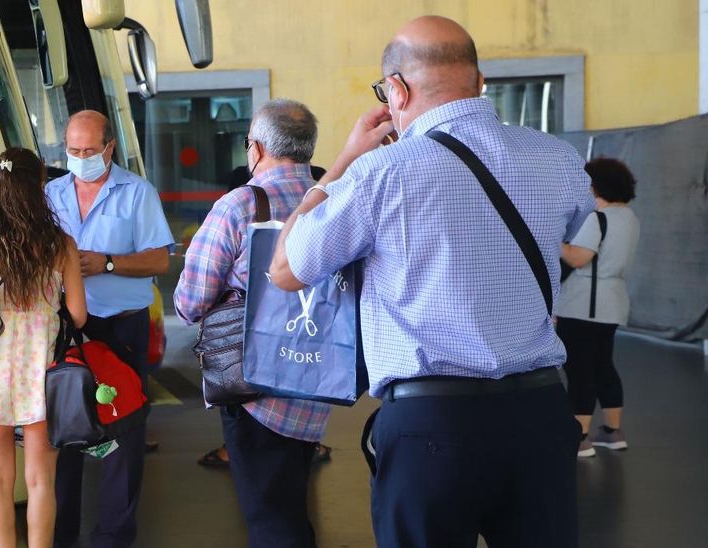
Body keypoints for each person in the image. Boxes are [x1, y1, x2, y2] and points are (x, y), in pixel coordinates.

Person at [268, 16, 594, 547]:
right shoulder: (555, 158)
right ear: (479, 80)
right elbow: (567, 229)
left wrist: (347, 159)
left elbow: (286, 269)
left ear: (396, 89)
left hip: (433, 424)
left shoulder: (381, 173)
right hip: (540, 414)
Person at [175, 99, 332, 547]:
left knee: (270, 520)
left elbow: (189, 301)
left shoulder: (241, 204)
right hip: (316, 378)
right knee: (289, 506)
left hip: (255, 385)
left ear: (257, 148)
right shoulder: (332, 199)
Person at [46, 110, 174, 548]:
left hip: (120, 331)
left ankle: (113, 538)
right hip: (66, 332)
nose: (80, 159)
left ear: (109, 149)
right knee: (63, 432)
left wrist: (108, 262)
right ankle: (60, 535)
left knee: (123, 434)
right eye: (73, 151)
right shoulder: (50, 194)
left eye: (88, 151)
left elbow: (160, 259)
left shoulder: (137, 194)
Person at [0, 148, 88, 548]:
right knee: (40, 479)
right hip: (41, 372)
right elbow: (79, 315)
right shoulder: (61, 244)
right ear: (38, 188)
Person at [556, 157, 640, 457]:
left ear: (593, 186)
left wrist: (555, 241)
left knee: (579, 371)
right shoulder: (629, 217)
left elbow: (579, 258)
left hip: (582, 306)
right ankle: (612, 432)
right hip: (613, 304)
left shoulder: (597, 218)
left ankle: (580, 439)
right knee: (603, 366)